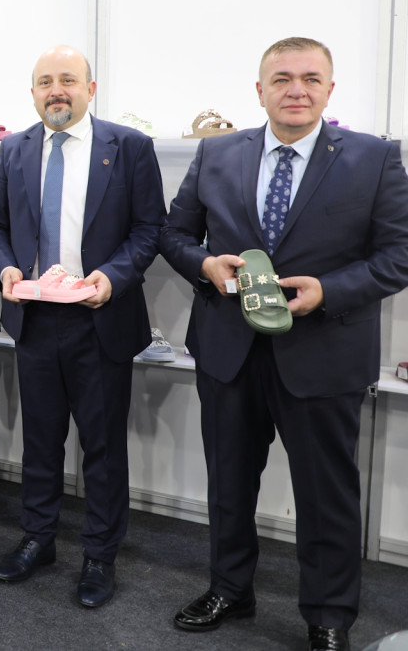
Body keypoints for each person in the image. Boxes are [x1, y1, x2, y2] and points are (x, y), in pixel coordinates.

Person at [160, 38, 408, 651]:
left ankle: (329, 617)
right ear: (260, 89)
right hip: (228, 349)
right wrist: (204, 265)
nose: (296, 89)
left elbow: (398, 255)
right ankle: (229, 589)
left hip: (325, 353)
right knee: (228, 482)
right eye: (281, 79)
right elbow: (173, 234)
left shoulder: (375, 158)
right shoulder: (216, 152)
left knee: (326, 494)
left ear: (329, 89)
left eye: (310, 78)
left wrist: (329, 291)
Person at [0, 45, 165, 607]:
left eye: (67, 80)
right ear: (33, 92)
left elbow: (149, 229)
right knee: (40, 440)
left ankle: (99, 556)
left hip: (100, 319)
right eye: (44, 82)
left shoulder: (128, 147)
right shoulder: (13, 149)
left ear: (91, 88)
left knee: (102, 447)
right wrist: (6, 269)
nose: (55, 90)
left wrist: (112, 277)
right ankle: (38, 538)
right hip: (35, 318)